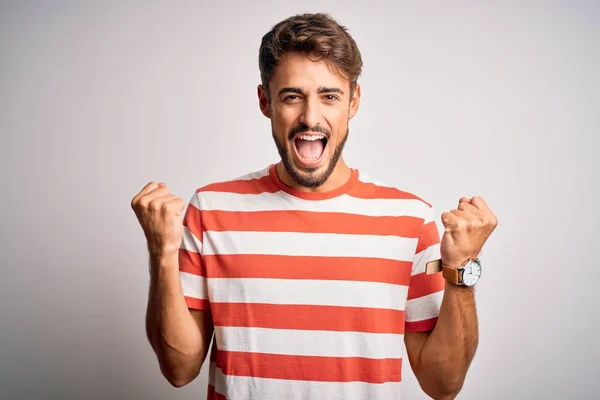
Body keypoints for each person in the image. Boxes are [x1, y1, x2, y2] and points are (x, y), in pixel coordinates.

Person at [131, 13, 498, 400]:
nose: (310, 117)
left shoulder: (410, 220)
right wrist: (161, 252)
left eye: (329, 96)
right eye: (292, 96)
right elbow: (179, 368)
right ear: (264, 101)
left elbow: (443, 385)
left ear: (353, 101)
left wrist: (461, 272)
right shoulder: (211, 209)